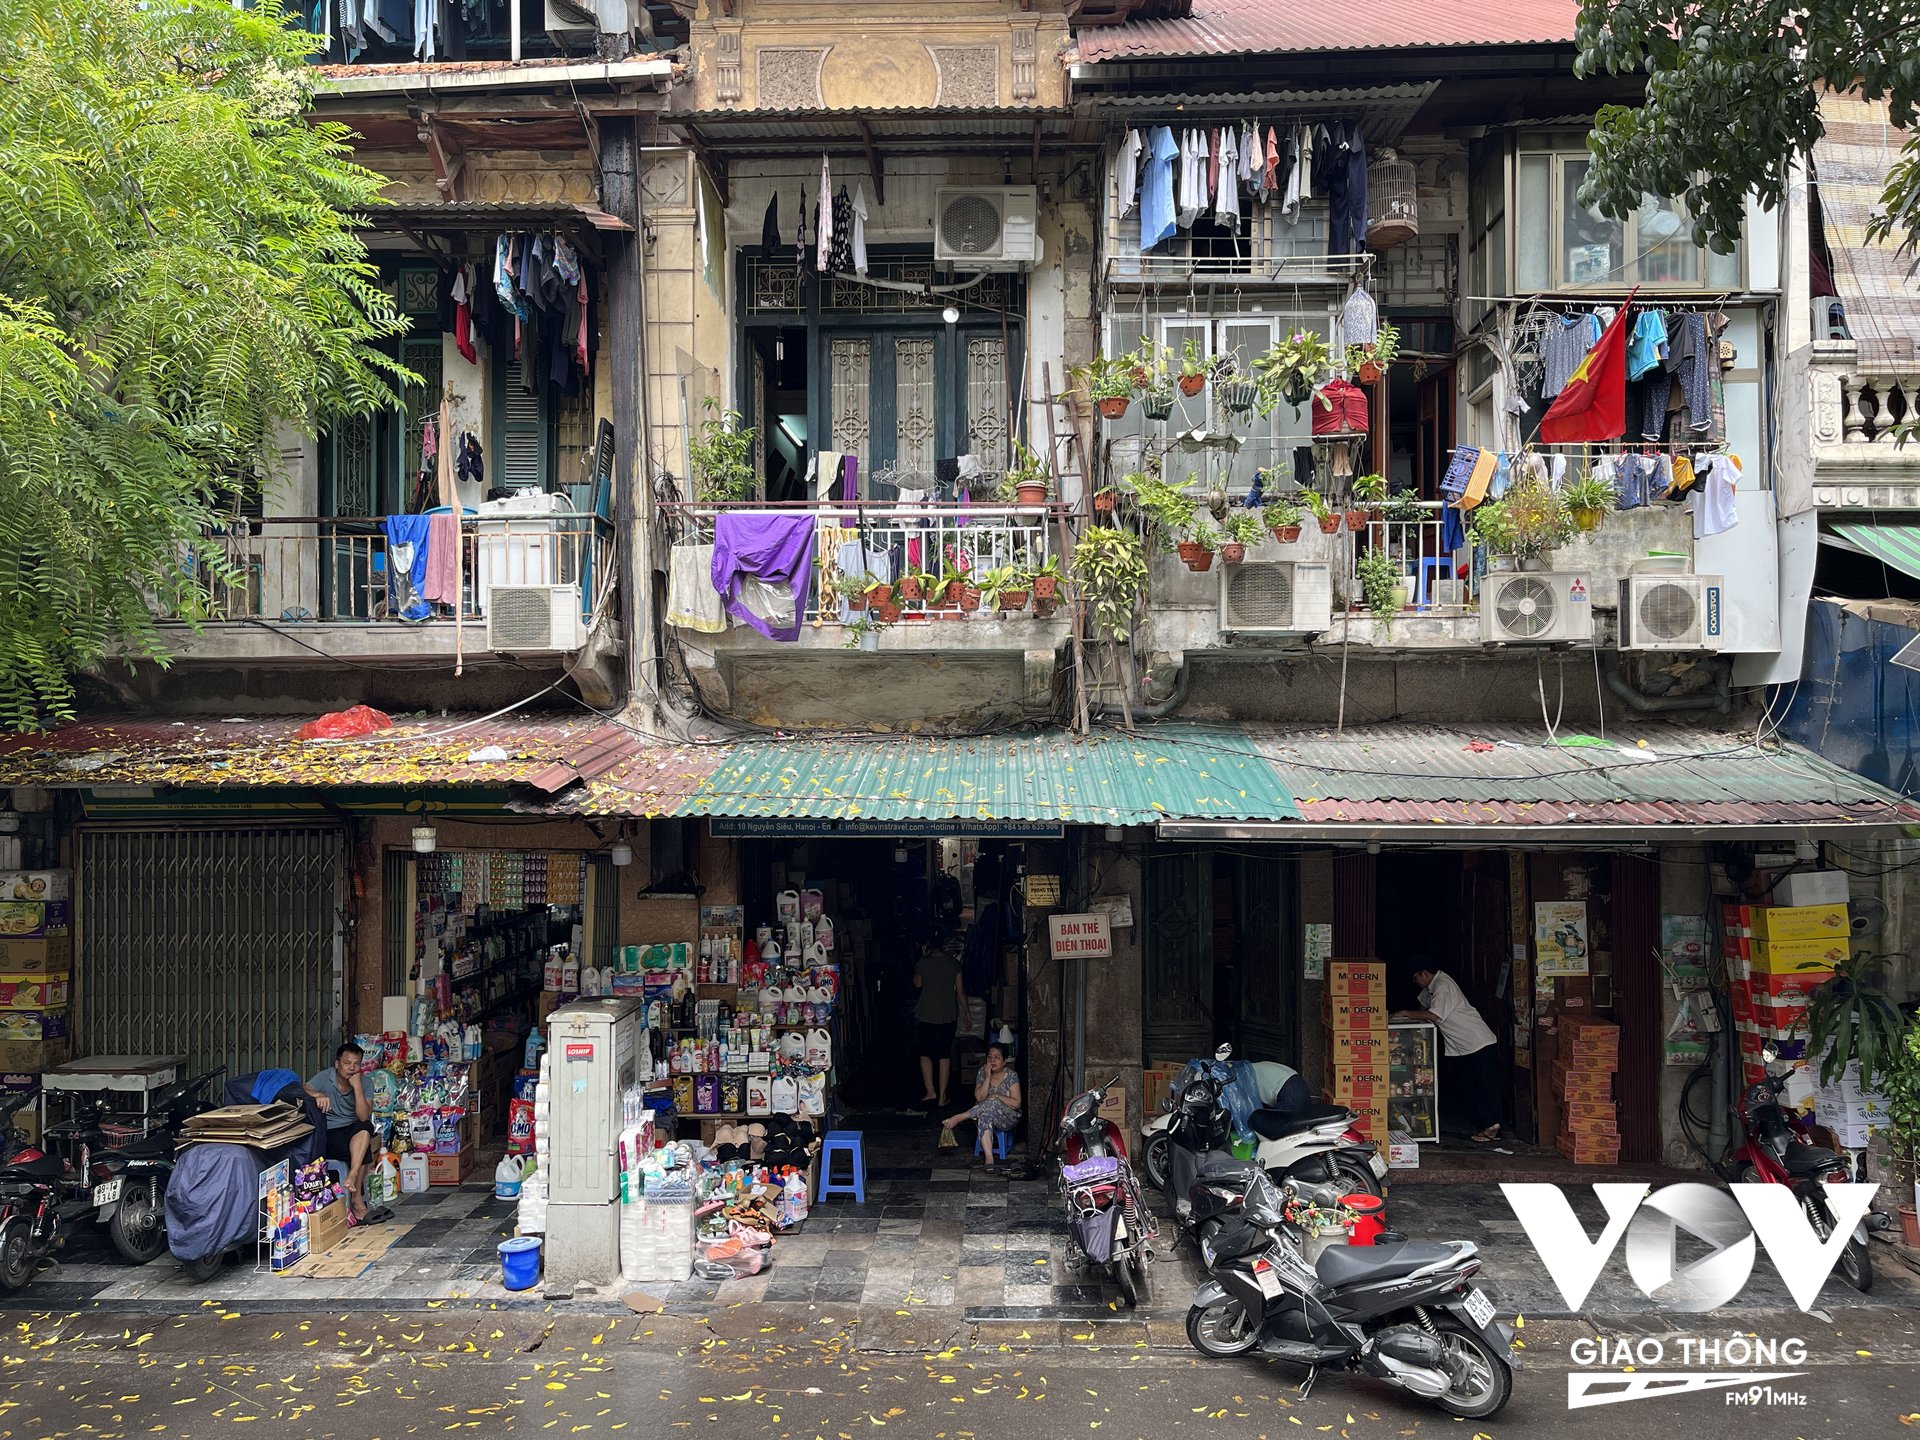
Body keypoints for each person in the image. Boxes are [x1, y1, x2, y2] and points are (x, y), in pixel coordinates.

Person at [1394, 964, 1503, 1143]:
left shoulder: (1443, 985)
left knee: (1483, 1085)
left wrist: (1405, 1013)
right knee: (1466, 1085)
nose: (1416, 982)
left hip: (1477, 1041)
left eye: (1416, 978)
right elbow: (1422, 1006)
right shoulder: (1430, 988)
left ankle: (1493, 1126)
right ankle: (1490, 1125)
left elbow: (1434, 1015)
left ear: (1424, 973)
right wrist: (1409, 1017)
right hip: (1462, 1045)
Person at [306, 1041, 377, 1219]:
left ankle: (352, 1175)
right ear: (337, 1064)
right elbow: (304, 1089)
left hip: (353, 1130)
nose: (351, 1068)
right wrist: (318, 1094)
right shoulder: (325, 1078)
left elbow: (363, 1117)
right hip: (329, 1132)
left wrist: (358, 1087)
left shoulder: (366, 1083)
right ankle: (356, 1199)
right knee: (364, 1148)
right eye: (347, 1063)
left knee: (366, 1127)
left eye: (356, 1064)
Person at [943, 1042, 1021, 1172]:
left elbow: (1016, 1103)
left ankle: (960, 1117)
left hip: (1008, 1117)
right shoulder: (982, 1072)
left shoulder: (1011, 1076)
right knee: (985, 1113)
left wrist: (996, 1096)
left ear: (1004, 1061)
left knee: (992, 1102)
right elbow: (979, 1098)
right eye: (990, 1057)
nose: (992, 1060)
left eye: (997, 1057)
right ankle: (989, 1158)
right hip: (985, 1114)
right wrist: (988, 1077)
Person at [912, 941, 966, 1108]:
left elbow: (917, 984)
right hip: (948, 1013)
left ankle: (931, 1091)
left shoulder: (923, 963)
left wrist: (921, 959)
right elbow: (960, 991)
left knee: (925, 1052)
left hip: (927, 1013)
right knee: (944, 1054)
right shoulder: (953, 963)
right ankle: (942, 1096)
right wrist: (968, 1014)